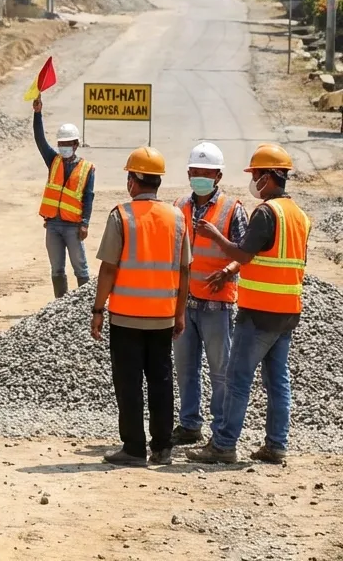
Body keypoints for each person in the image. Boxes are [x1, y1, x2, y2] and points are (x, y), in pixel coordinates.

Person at [187, 144, 311, 465]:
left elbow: (243, 254)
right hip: (287, 312)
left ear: (269, 177)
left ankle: (224, 445)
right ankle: (276, 444)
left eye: (256, 175)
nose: (254, 181)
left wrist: (215, 236)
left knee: (237, 379)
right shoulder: (299, 216)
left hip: (259, 313)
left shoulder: (266, 213)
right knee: (277, 381)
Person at [91, 147, 190, 467]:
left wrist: (97, 309)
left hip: (127, 318)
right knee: (161, 382)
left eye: (129, 177)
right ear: (158, 182)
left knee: (129, 384)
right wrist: (179, 313)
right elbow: (185, 269)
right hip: (162, 318)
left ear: (134, 181)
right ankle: (162, 448)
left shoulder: (121, 215)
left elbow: (108, 268)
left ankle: (134, 449)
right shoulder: (177, 217)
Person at [170, 142, 248, 447]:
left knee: (219, 373)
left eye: (208, 172)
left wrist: (228, 271)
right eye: (197, 171)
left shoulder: (232, 209)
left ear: (218, 176)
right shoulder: (178, 206)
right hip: (184, 303)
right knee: (185, 369)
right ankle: (189, 425)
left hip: (217, 305)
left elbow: (244, 252)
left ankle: (220, 432)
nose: (201, 176)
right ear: (189, 173)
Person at [32, 96, 95, 297]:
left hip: (73, 226)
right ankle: (61, 304)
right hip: (53, 225)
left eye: (67, 143)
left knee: (80, 267)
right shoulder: (54, 161)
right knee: (56, 268)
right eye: (61, 143)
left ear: (76, 144)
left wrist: (85, 223)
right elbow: (40, 140)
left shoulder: (87, 168)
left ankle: (83, 305)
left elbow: (88, 197)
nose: (63, 147)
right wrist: (37, 114)